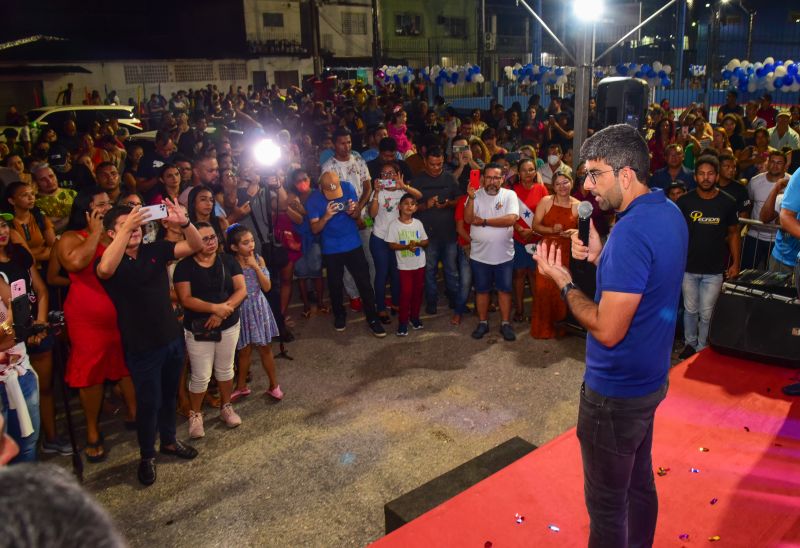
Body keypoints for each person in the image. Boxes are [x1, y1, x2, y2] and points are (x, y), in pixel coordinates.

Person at [534, 124, 688, 547]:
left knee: (606, 508)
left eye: (594, 174)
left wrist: (565, 281)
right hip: (650, 381)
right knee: (639, 485)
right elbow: (646, 283)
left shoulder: (631, 233)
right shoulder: (667, 212)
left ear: (625, 175)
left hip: (615, 396)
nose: (585, 186)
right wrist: (603, 256)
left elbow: (607, 328)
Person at [96, 201, 203, 486]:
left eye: (136, 222)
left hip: (170, 338)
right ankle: (147, 455)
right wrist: (126, 227)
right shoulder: (111, 262)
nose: (134, 228)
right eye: (124, 224)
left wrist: (184, 223)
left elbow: (194, 245)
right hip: (142, 347)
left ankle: (168, 441)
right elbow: (105, 269)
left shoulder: (153, 250)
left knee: (169, 396)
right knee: (148, 403)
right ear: (111, 234)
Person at [58, 188, 135, 462]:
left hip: (120, 309)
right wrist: (93, 233)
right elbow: (77, 263)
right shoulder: (70, 237)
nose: (106, 207)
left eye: (108, 203)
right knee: (90, 371)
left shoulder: (113, 233)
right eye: (100, 204)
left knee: (126, 363)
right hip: (87, 316)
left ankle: (133, 411)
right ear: (86, 209)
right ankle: (92, 431)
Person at [174, 222, 246, 438]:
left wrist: (222, 312)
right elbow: (185, 298)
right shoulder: (184, 267)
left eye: (213, 237)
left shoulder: (228, 261)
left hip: (228, 322)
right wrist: (214, 308)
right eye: (204, 238)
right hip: (198, 327)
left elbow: (241, 290)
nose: (211, 242)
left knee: (225, 369)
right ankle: (195, 415)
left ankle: (226, 407)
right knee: (201, 375)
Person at [306, 171, 386, 337]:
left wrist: (353, 212)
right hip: (331, 247)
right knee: (335, 285)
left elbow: (357, 214)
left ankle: (372, 318)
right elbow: (315, 229)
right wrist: (326, 216)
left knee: (364, 281)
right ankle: (339, 315)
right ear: (321, 187)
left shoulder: (348, 187)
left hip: (352, 243)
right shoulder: (313, 200)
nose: (335, 197)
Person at [677, 155, 741, 358]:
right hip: (688, 267)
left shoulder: (728, 202)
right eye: (702, 174)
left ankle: (702, 348)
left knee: (706, 313)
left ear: (717, 176)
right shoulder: (684, 202)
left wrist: (736, 263)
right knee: (690, 310)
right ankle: (689, 343)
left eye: (710, 174)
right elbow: (675, 233)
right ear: (695, 177)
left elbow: (733, 234)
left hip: (714, 270)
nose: (706, 178)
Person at [463, 163, 520, 341]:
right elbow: (468, 219)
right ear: (483, 179)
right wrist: (471, 198)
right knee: (481, 291)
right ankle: (482, 323)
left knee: (504, 290)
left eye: (496, 178)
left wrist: (485, 221)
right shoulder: (475, 195)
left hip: (504, 255)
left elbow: (511, 219)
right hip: (480, 256)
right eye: (489, 177)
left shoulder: (510, 194)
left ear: (502, 179)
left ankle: (505, 324)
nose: (492, 181)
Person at [227, 225, 283, 402]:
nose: (251, 245)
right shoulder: (231, 264)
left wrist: (256, 268)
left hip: (259, 307)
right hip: (241, 309)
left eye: (251, 241)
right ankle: (241, 386)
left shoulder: (259, 259)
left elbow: (267, 287)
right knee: (243, 351)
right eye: (245, 243)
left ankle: (274, 385)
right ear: (234, 247)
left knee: (265, 348)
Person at [368, 161, 422, 324]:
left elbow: (418, 197)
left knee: (398, 273)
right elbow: (372, 213)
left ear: (398, 174)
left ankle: (397, 304)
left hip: (399, 239)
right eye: (384, 174)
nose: (388, 177)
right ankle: (381, 308)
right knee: (382, 274)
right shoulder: (379, 192)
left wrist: (403, 186)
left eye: (391, 173)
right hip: (380, 238)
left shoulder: (403, 192)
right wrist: (376, 193)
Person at [530, 172, 579, 339]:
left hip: (567, 253)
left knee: (563, 289)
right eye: (558, 184)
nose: (562, 186)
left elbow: (586, 232)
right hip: (547, 250)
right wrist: (551, 230)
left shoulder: (579, 205)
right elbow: (535, 226)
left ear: (572, 183)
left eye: (565, 182)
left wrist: (575, 232)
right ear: (553, 186)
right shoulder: (546, 201)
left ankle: (562, 328)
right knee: (543, 289)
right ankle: (543, 328)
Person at [412, 146, 460, 315]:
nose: (436, 168)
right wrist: (425, 205)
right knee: (429, 270)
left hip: (449, 234)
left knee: (451, 270)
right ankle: (431, 301)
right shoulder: (417, 181)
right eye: (432, 164)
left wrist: (448, 203)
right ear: (425, 162)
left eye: (439, 164)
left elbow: (460, 200)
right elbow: (409, 208)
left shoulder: (450, 178)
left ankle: (455, 300)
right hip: (427, 235)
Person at [0, 275, 39, 464]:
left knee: (28, 443)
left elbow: (22, 316)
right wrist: (8, 326)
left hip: (19, 370)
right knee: (3, 454)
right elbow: (11, 326)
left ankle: (27, 491)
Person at [511, 158, 549, 322]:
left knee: (535, 275)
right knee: (518, 275)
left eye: (531, 169)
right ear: (518, 173)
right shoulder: (511, 191)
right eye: (525, 170)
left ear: (536, 172)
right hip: (517, 239)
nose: (528, 173)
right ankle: (519, 310)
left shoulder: (541, 189)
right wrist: (519, 229)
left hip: (536, 239)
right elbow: (506, 214)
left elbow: (547, 213)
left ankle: (537, 311)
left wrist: (532, 230)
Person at [386, 194, 429, 336]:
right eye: (406, 203)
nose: (409, 206)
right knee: (406, 294)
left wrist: (416, 243)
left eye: (412, 203)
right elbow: (391, 245)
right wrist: (406, 247)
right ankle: (403, 322)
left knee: (417, 293)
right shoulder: (394, 225)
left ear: (416, 208)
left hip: (419, 264)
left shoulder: (418, 223)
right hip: (405, 267)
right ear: (399, 207)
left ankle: (414, 318)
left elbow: (425, 241)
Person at [744, 150, 786, 269]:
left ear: (785, 166)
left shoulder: (791, 182)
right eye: (772, 162)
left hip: (777, 238)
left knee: (774, 277)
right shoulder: (755, 181)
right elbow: (750, 203)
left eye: (779, 163)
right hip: (754, 235)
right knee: (746, 271)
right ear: (767, 163)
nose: (775, 165)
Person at [4, 182, 55, 265]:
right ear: (12, 201)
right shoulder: (7, 223)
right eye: (24, 195)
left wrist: (28, 255)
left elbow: (54, 248)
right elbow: (10, 255)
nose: (31, 198)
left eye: (32, 194)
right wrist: (41, 252)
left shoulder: (40, 218)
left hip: (46, 266)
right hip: (21, 270)